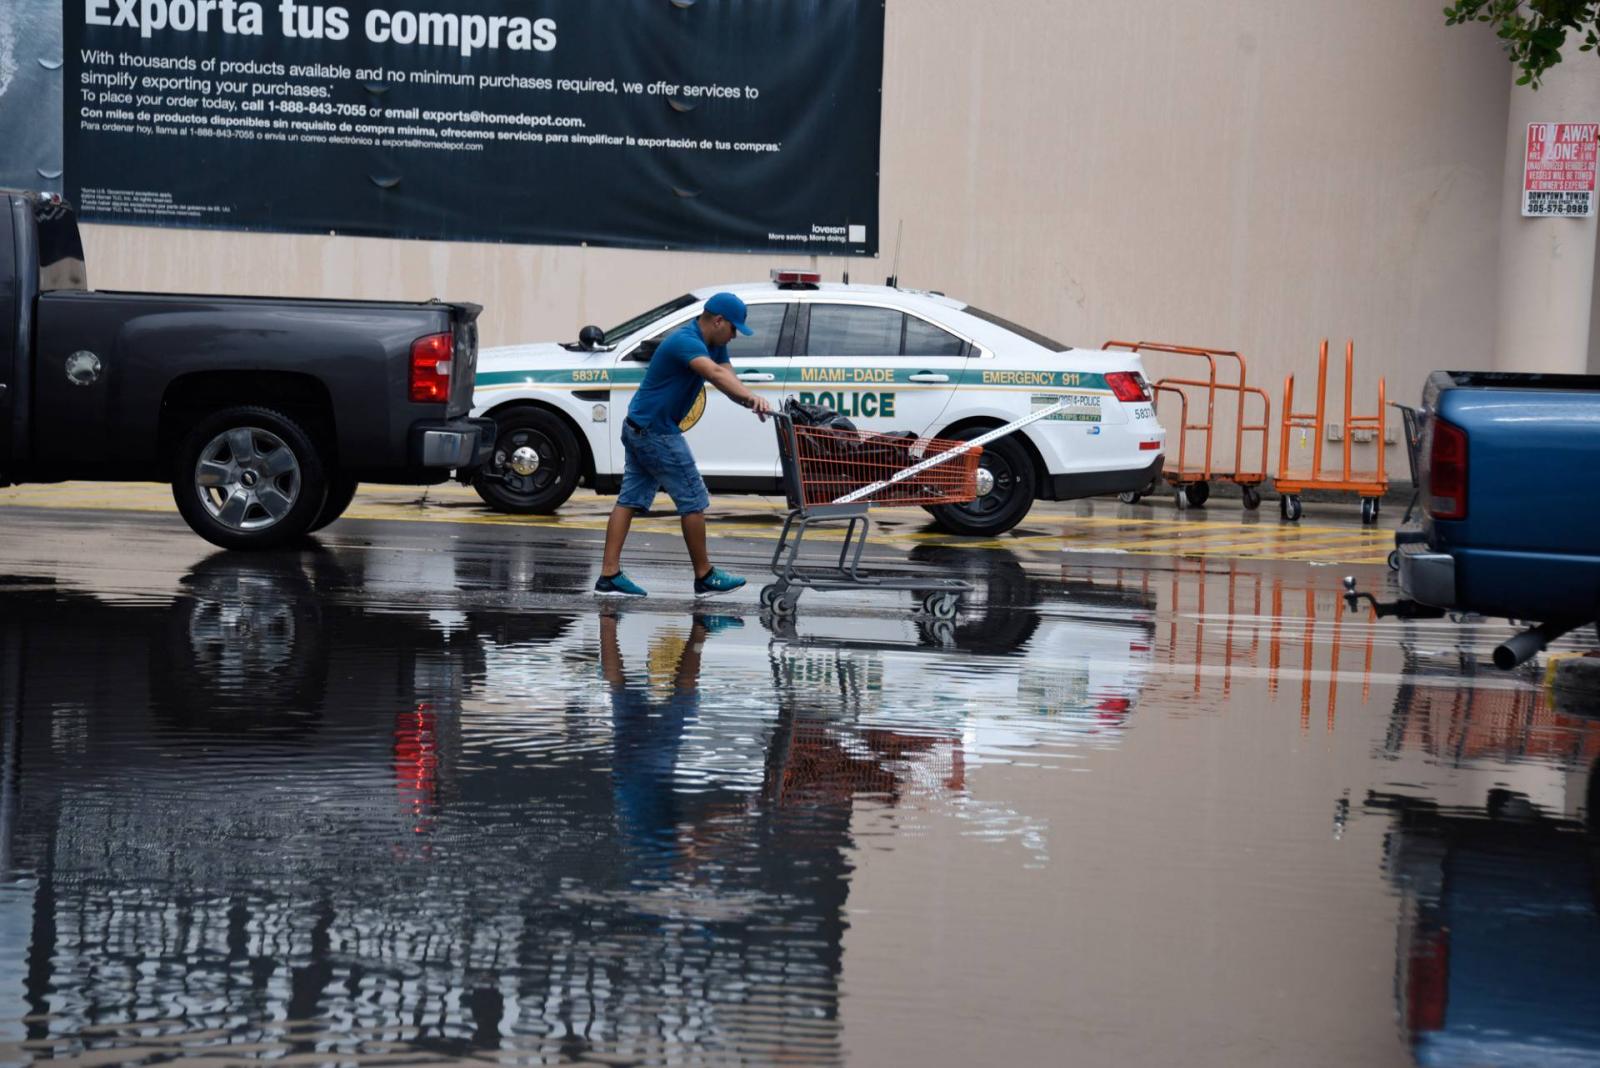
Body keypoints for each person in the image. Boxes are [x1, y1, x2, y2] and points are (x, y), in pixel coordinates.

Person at [595, 292, 772, 597]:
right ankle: (704, 575)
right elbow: (714, 374)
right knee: (693, 499)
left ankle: (609, 576)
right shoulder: (685, 341)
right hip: (657, 432)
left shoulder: (713, 342)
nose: (734, 336)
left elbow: (726, 373)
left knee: (630, 499)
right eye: (734, 329)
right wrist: (750, 397)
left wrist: (748, 400)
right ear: (718, 321)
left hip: (639, 426)